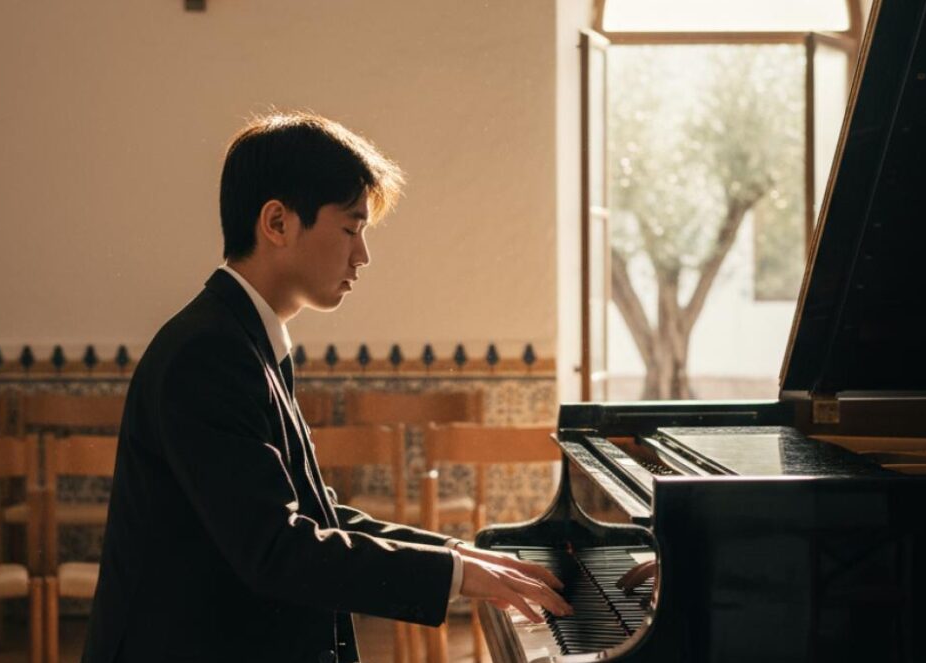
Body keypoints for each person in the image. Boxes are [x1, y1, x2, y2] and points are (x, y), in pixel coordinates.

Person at [82, 112, 572, 663]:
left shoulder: (242, 337)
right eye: (350, 228)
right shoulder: (209, 352)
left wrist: (459, 554)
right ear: (277, 222)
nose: (362, 255)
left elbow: (317, 516)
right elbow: (276, 550)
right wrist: (457, 574)